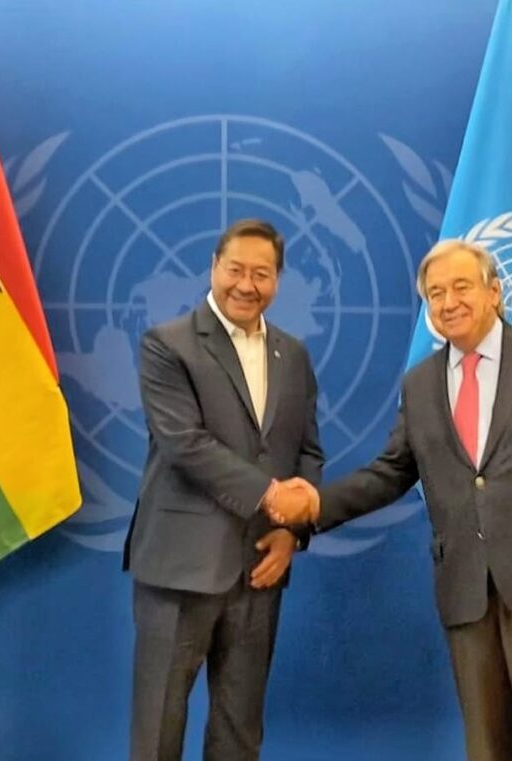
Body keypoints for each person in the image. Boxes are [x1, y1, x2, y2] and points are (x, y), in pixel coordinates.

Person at [270, 240, 512, 761]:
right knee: (486, 747)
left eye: (461, 287)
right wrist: (315, 506)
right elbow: (392, 471)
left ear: (494, 292)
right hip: (466, 590)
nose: (448, 302)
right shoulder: (421, 384)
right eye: (435, 294)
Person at [123, 218, 323, 761]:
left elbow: (307, 452)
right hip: (179, 569)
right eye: (235, 269)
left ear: (277, 280)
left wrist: (292, 533)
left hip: (260, 570)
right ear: (214, 267)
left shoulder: (293, 355)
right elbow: (184, 444)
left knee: (240, 731)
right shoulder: (167, 345)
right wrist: (272, 497)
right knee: (159, 730)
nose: (246, 284)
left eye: (262, 273)